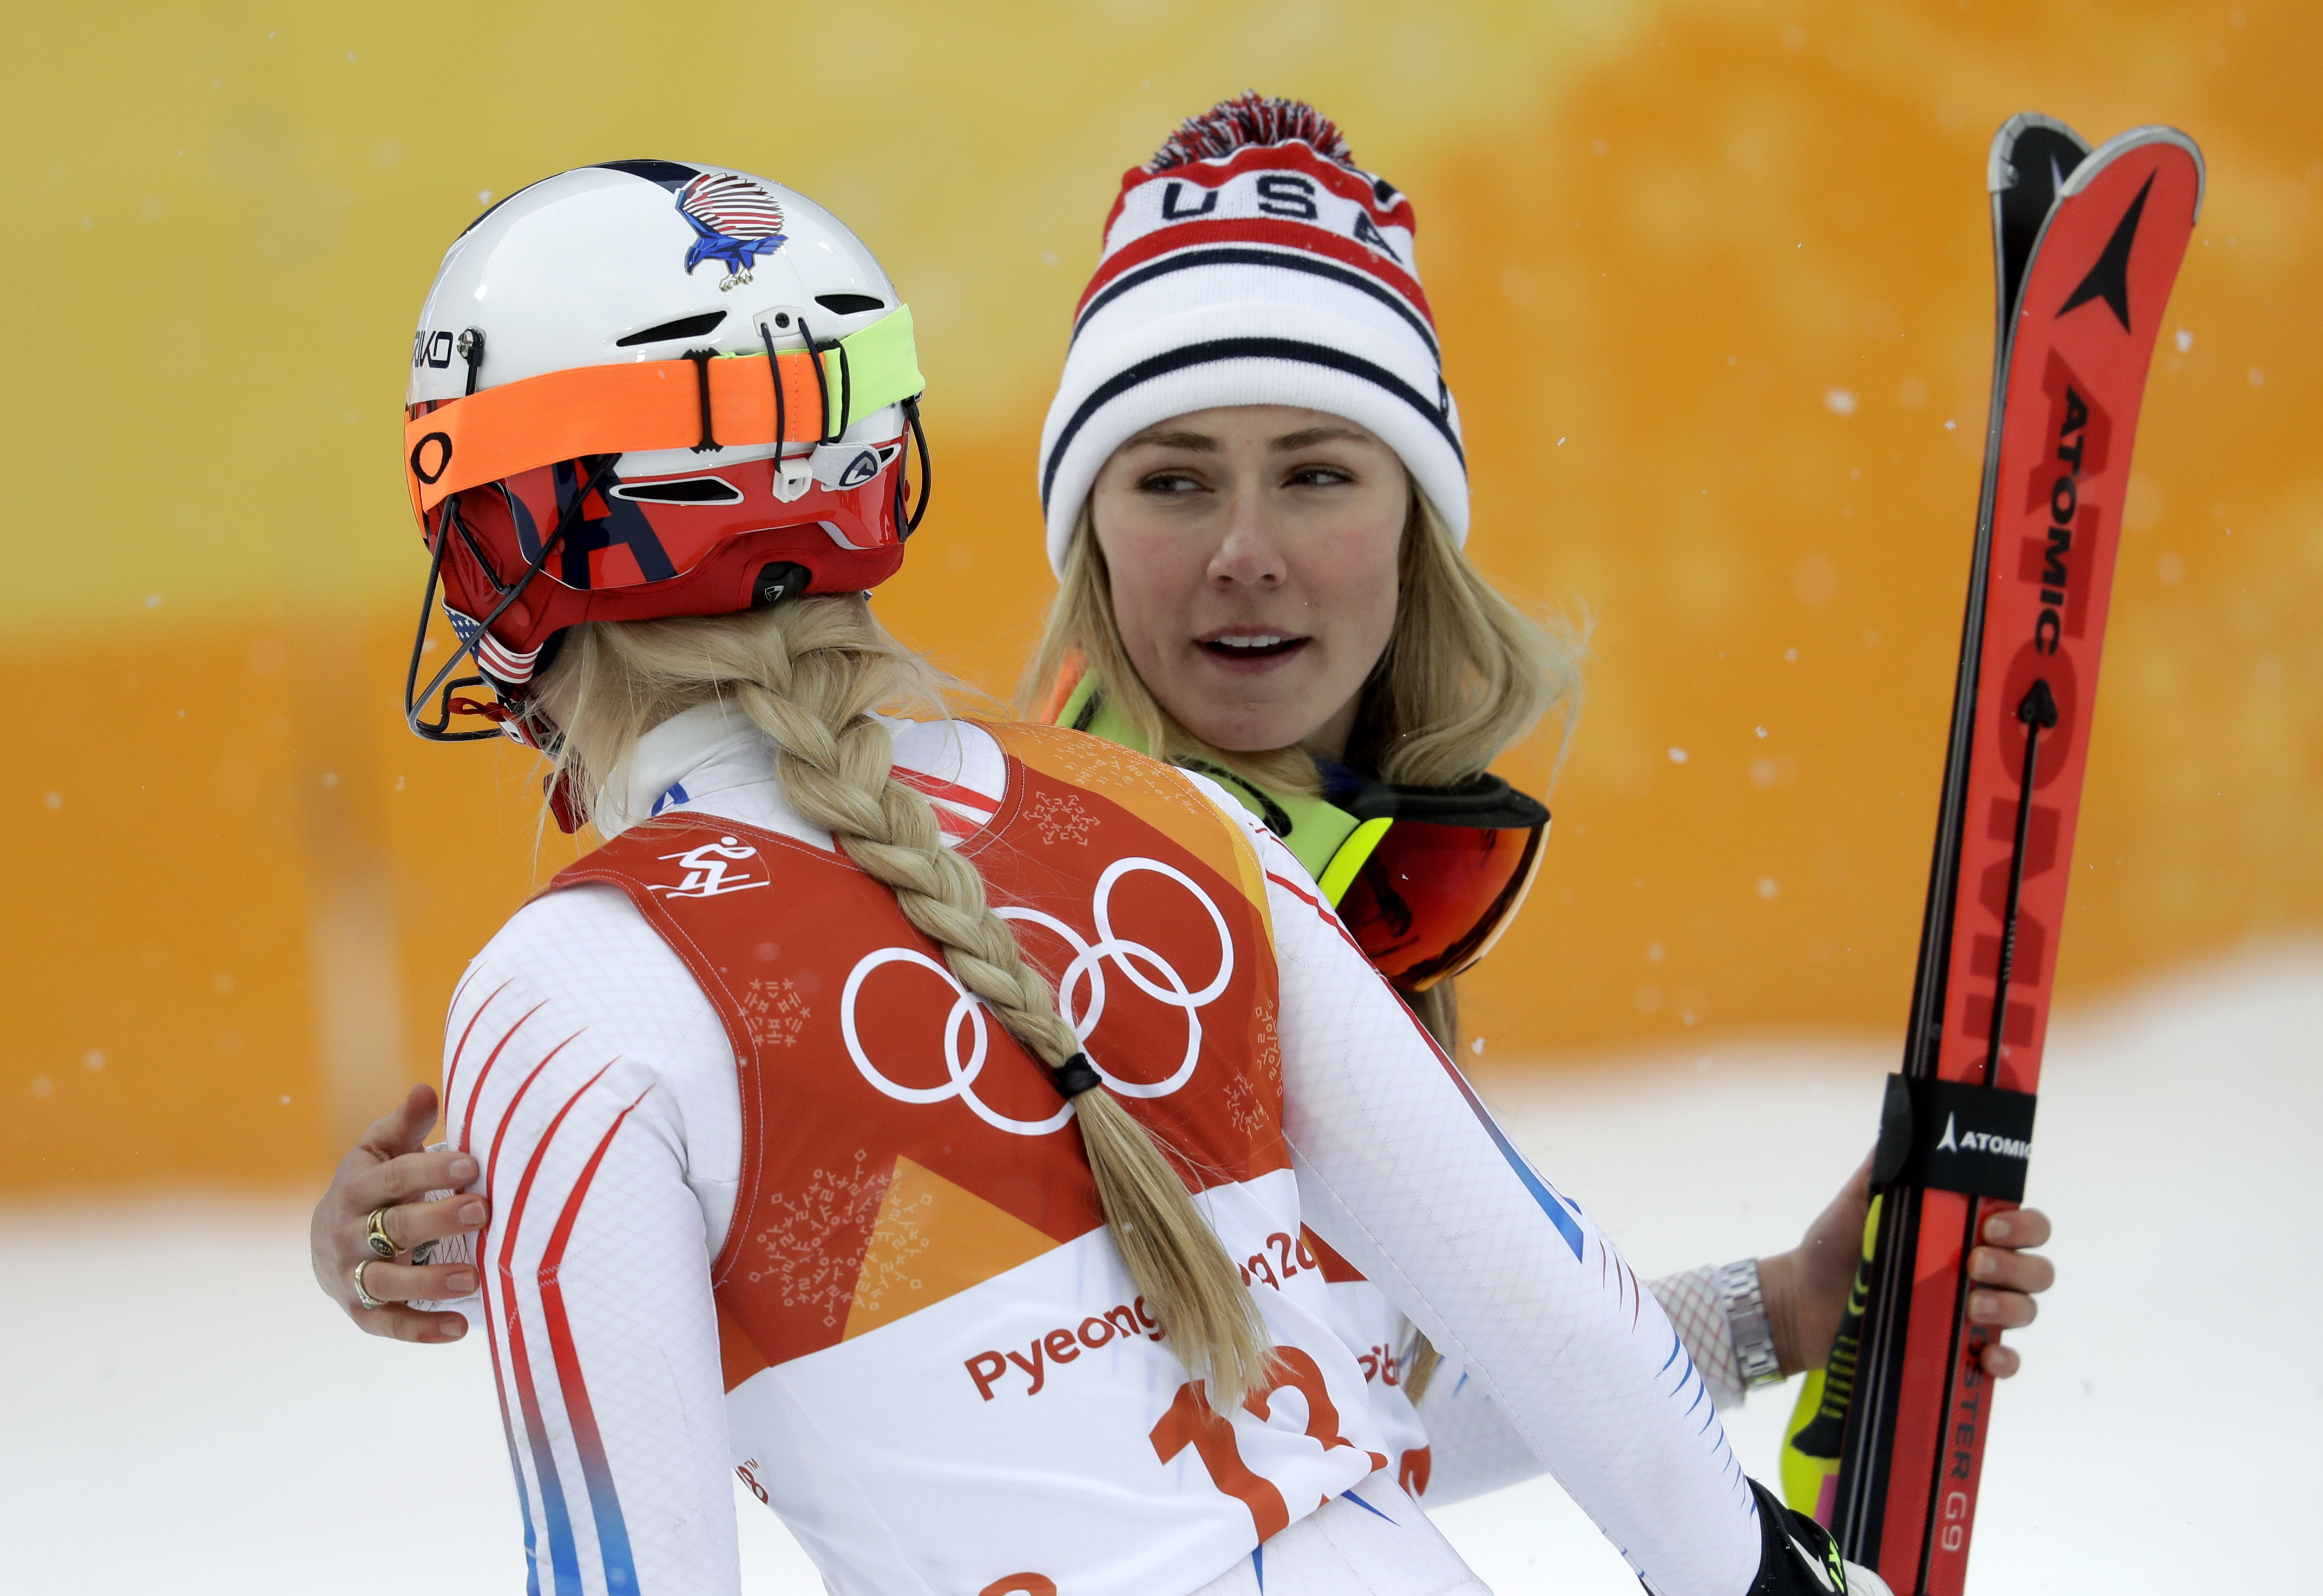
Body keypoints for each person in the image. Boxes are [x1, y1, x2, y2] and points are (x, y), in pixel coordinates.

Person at [315, 98, 2051, 1515]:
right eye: (1170, 480)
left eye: (1313, 470)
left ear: (1416, 524)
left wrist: (1771, 1312)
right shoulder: (1122, 853)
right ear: (1076, 530)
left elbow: (1299, 1407)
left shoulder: (1329, 864)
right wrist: (472, 1214)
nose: (1244, 554)